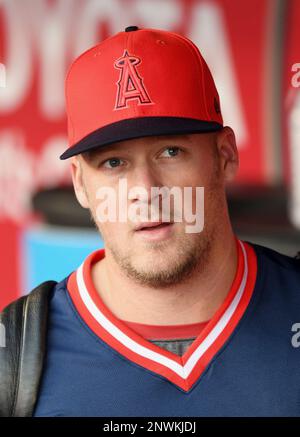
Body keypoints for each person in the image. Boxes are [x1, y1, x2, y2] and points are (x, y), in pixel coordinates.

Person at [1, 26, 300, 417]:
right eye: (114, 162)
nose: (145, 190)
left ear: (225, 155)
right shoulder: (15, 356)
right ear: (80, 183)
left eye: (170, 151)